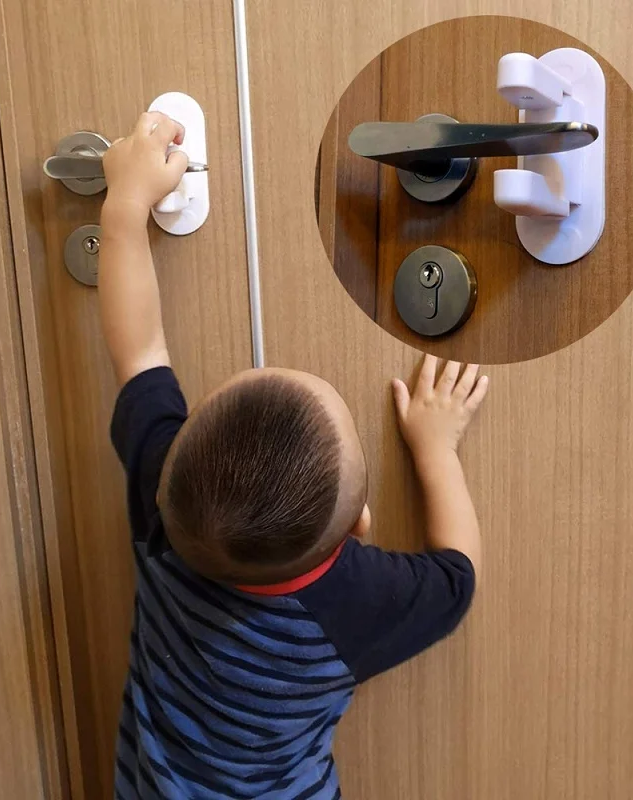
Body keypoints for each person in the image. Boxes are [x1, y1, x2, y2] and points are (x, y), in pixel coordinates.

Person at [101, 111, 489, 800]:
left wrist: (126, 206)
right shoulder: (353, 602)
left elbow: (139, 353)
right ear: (360, 528)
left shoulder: (166, 504)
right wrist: (436, 448)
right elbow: (456, 581)